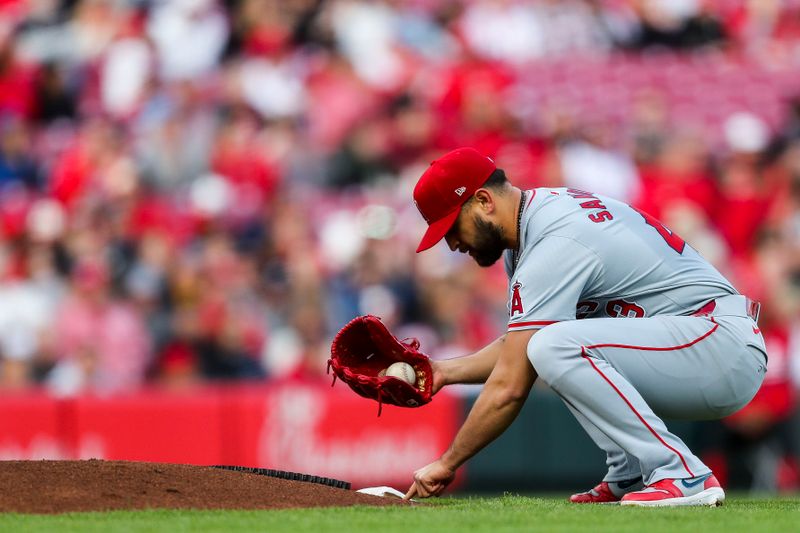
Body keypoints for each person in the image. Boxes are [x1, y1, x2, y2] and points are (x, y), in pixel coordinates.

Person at [403, 147, 767, 506]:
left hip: (718, 343)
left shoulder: (555, 239)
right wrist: (443, 372)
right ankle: (632, 472)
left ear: (483, 201)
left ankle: (680, 472)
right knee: (550, 343)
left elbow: (510, 385)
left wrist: (447, 463)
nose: (451, 243)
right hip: (698, 340)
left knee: (555, 346)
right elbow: (520, 345)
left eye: (452, 226)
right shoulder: (537, 220)